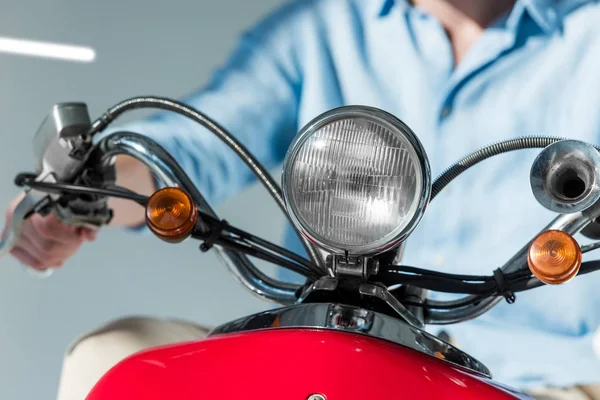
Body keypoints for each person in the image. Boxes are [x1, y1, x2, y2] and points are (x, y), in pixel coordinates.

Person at [4, 0, 600, 398]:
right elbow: (197, 144)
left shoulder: (588, 37)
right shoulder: (325, 25)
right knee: (110, 359)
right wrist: (91, 190)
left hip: (537, 378)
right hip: (327, 339)